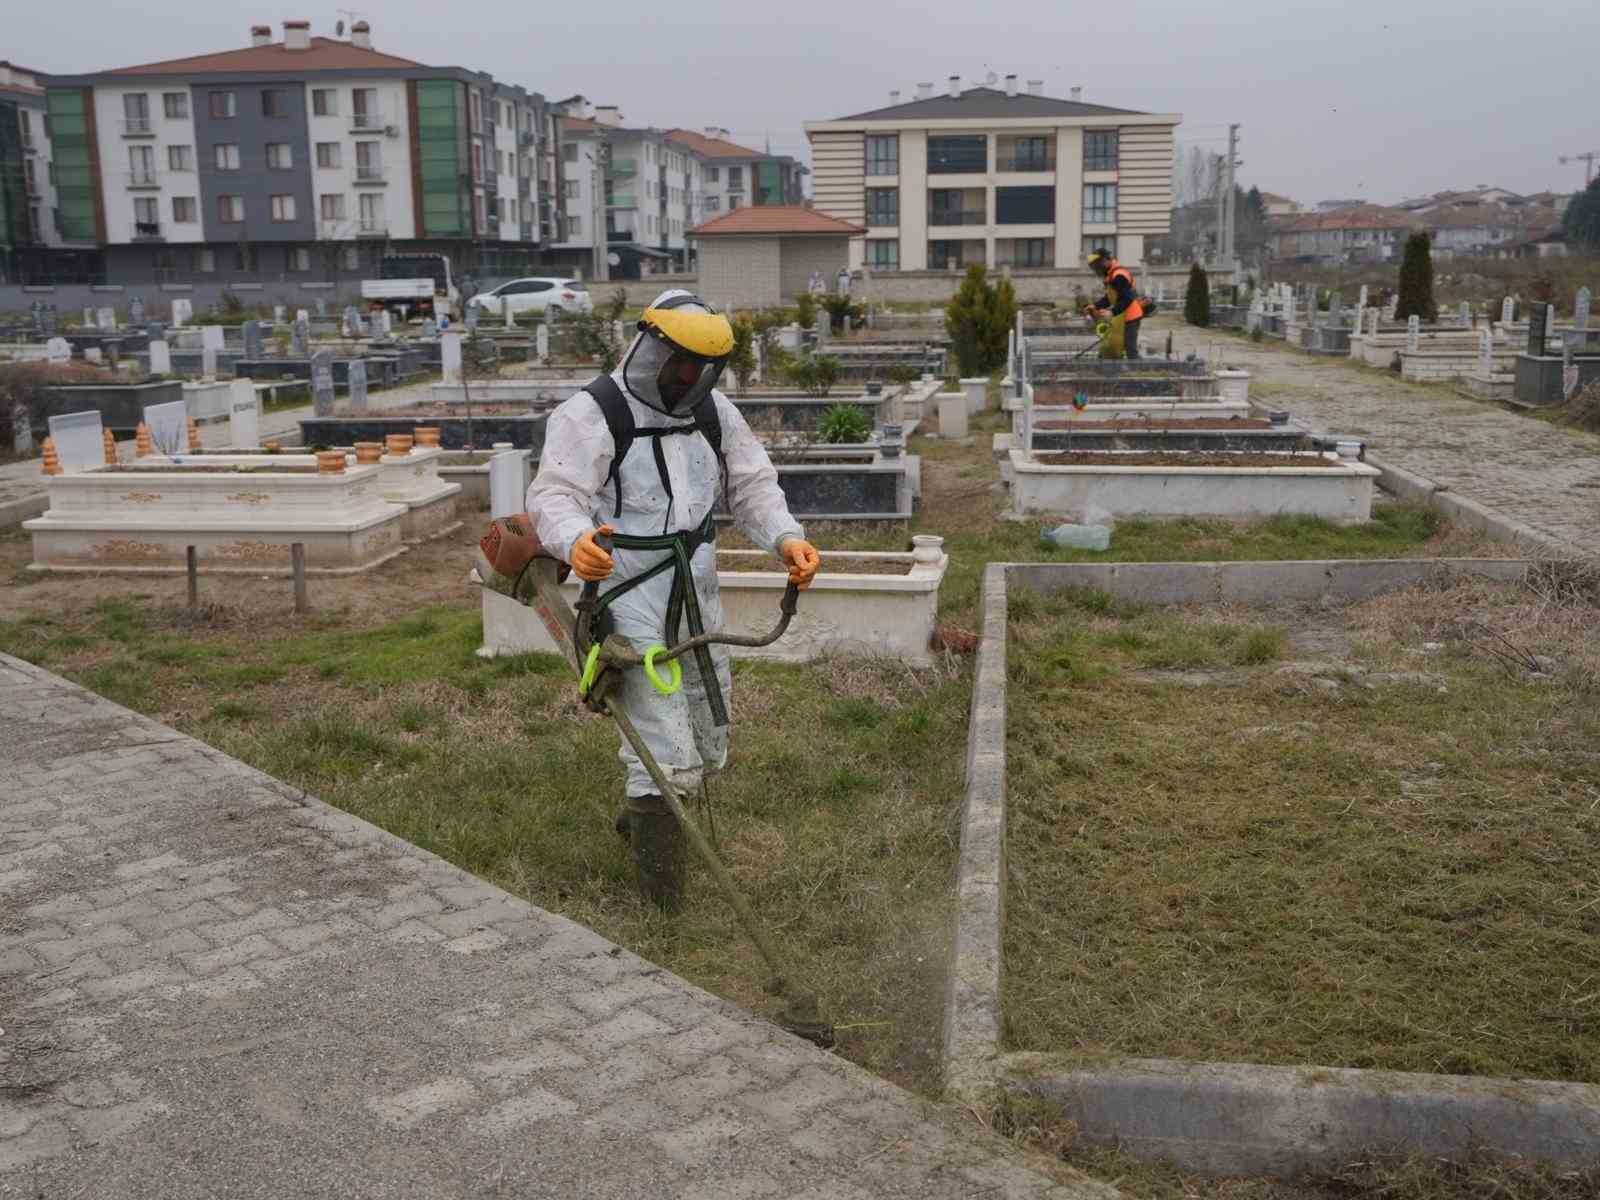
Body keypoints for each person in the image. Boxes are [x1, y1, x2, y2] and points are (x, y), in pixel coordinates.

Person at [527, 289, 820, 886]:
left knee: (708, 729)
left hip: (696, 592)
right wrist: (575, 539)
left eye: (700, 368)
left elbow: (753, 486)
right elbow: (554, 494)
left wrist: (787, 539)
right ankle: (663, 904)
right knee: (663, 744)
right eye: (678, 363)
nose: (686, 377)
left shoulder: (714, 413)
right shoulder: (592, 414)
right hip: (628, 595)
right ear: (647, 348)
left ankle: (641, 826)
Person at [1086, 249, 1145, 360]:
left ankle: (1140, 371)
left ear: (1105, 260)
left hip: (1130, 316)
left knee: (1130, 350)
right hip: (1121, 316)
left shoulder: (1119, 275)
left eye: (1097, 266)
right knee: (1114, 347)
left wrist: (1112, 312)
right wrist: (1096, 306)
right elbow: (1110, 297)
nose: (1097, 270)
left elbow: (1128, 298)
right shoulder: (1111, 274)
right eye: (1094, 267)